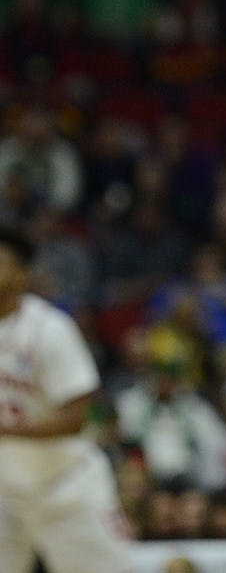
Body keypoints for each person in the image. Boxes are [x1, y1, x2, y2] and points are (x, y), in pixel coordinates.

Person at [0, 225, 135, 573]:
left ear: (22, 275)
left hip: (67, 488)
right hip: (6, 493)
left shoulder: (50, 328)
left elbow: (80, 417)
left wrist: (9, 431)